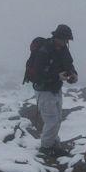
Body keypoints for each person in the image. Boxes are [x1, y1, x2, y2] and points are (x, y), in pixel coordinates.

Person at [32, 24, 78, 156]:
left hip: (56, 88)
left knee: (57, 119)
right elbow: (38, 74)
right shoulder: (44, 50)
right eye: (65, 39)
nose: (66, 42)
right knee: (51, 120)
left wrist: (73, 72)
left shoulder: (63, 48)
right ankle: (45, 148)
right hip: (44, 90)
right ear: (57, 37)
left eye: (68, 40)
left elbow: (68, 63)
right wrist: (56, 76)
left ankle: (54, 145)